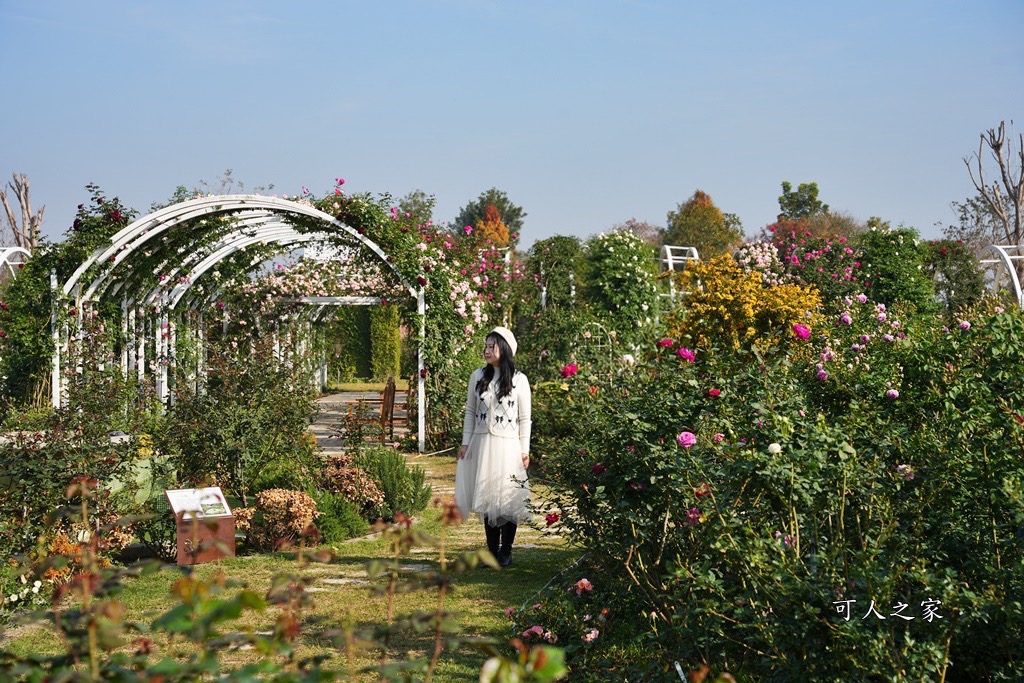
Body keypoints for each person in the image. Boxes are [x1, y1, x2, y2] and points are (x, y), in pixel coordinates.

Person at [454, 326, 532, 567]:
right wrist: (466, 442)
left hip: (508, 446)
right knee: (487, 496)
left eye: (492, 346)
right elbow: (470, 411)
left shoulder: (519, 380)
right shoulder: (477, 376)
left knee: (508, 497)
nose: (487, 350)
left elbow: (524, 418)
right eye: (485, 346)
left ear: (505, 349)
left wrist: (524, 449)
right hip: (483, 444)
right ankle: (491, 551)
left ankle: (506, 550)